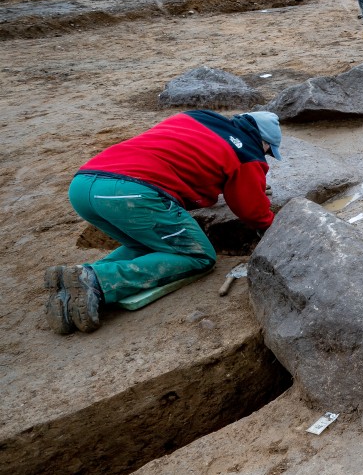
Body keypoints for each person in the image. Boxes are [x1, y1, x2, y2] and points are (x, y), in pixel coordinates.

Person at [45, 110, 283, 334]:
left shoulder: (200, 118)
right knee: (198, 255)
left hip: (84, 185)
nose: (266, 156)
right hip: (130, 193)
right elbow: (252, 211)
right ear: (263, 141)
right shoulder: (248, 152)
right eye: (268, 151)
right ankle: (98, 280)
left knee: (151, 246)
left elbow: (193, 163)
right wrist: (274, 225)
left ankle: (73, 284)